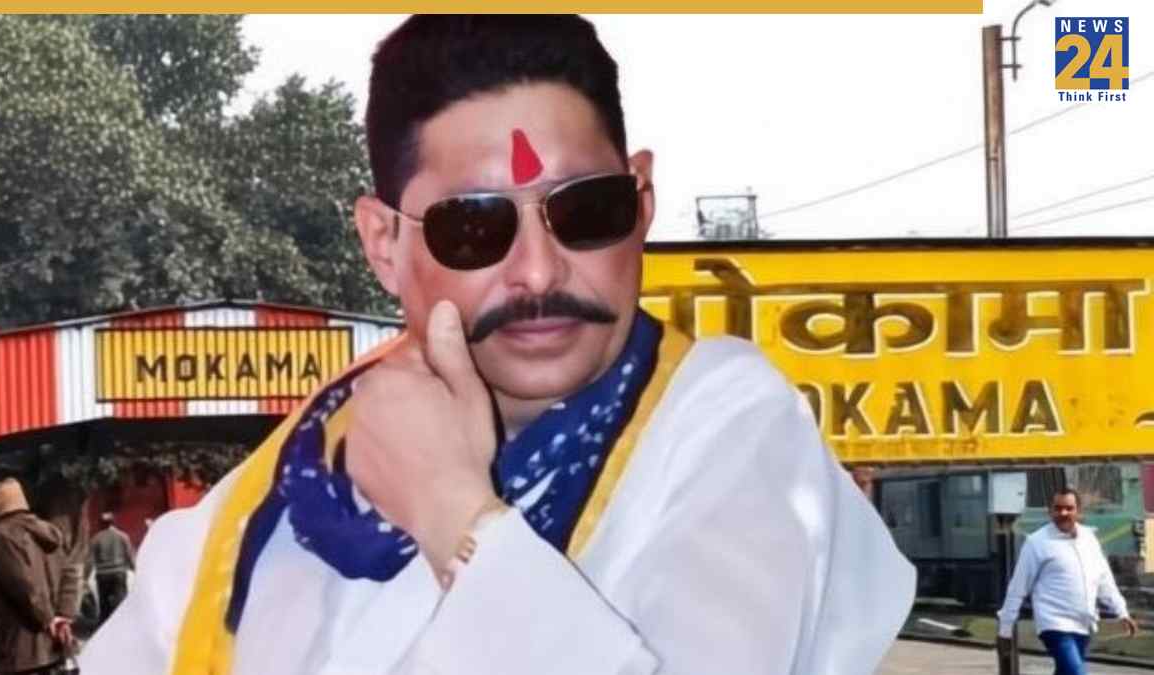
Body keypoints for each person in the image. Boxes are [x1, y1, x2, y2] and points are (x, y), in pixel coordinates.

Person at [81, 15, 914, 675]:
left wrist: (453, 512)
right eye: (474, 226)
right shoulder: (279, 492)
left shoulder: (726, 424)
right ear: (382, 244)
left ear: (642, 200)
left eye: (585, 210)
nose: (539, 271)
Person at [997, 488, 1139, 675]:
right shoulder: (1037, 543)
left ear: (1078, 511)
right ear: (1050, 511)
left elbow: (1104, 580)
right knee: (1075, 672)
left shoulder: (1089, 539)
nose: (1063, 513)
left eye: (1069, 508)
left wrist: (1122, 612)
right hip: (1054, 624)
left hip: (1083, 624)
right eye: (1057, 508)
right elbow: (1018, 587)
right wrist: (1005, 630)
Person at [0, 478, 78, 675]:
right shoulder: (48, 532)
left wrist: (47, 619)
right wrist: (63, 616)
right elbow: (71, 573)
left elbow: (23, 585)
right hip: (51, 646)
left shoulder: (0, 537)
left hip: (17, 648)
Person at [88, 512, 135, 624]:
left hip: (102, 575)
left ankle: (105, 626)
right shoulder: (123, 536)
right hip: (119, 573)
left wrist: (85, 576)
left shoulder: (96, 538)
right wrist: (134, 569)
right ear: (114, 522)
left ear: (101, 524)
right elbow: (129, 555)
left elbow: (90, 560)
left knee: (104, 604)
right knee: (120, 603)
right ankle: (122, 624)